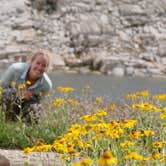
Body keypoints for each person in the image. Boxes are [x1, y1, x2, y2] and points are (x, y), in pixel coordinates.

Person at [0, 51, 52, 124]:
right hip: (9, 100)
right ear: (31, 62)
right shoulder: (15, 69)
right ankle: (7, 123)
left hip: (27, 103)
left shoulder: (46, 85)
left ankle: (25, 132)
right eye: (37, 63)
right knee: (8, 95)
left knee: (35, 108)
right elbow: (1, 88)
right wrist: (17, 93)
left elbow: (39, 101)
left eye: (43, 65)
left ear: (46, 68)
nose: (40, 67)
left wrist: (30, 97)